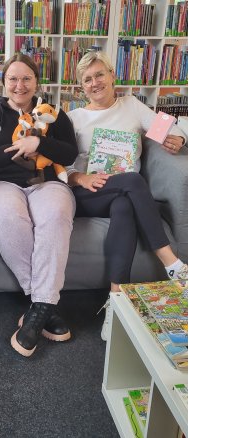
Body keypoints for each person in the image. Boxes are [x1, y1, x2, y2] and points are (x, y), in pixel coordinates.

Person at [65, 51, 189, 341]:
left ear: (111, 75)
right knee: (133, 181)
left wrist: (180, 137)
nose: (95, 83)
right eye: (87, 79)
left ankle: (115, 302)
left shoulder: (132, 106)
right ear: (80, 87)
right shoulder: (73, 118)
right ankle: (172, 263)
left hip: (123, 195)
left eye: (99, 75)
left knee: (124, 205)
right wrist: (81, 177)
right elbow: (64, 166)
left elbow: (172, 126)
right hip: (89, 193)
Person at [0, 54, 79, 357]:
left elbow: (69, 153)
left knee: (56, 215)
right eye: (13, 79)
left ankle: (37, 310)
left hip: (46, 183)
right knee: (7, 216)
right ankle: (45, 305)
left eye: (26, 78)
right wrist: (18, 148)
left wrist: (40, 144)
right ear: (4, 83)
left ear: (36, 82)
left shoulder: (54, 115)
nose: (20, 85)